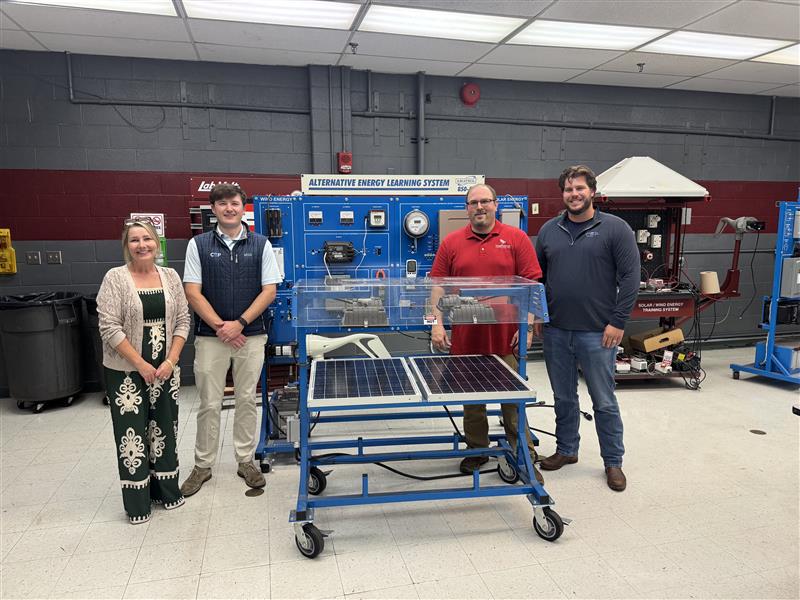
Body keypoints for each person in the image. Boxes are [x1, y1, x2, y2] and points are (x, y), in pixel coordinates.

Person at [429, 183, 544, 484]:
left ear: (496, 205)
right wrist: (435, 324)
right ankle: (477, 450)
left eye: (485, 201)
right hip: (467, 337)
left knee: (513, 400)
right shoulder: (451, 242)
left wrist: (527, 327)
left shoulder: (516, 238)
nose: (479, 207)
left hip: (507, 336)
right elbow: (436, 286)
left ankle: (524, 455)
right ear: (466, 208)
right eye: (473, 202)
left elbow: (532, 286)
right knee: (471, 400)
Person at [534, 165, 639, 492]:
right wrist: (538, 315)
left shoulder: (615, 229)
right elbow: (538, 278)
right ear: (562, 194)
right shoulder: (549, 231)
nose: (574, 194)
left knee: (603, 400)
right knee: (563, 396)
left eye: (580, 188)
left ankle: (613, 461)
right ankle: (567, 449)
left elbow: (631, 278)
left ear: (592, 191)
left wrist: (618, 321)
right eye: (568, 189)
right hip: (556, 330)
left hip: (598, 333)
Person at [180, 183, 282, 496]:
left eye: (234, 203)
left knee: (246, 399)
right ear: (213, 209)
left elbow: (269, 290)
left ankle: (245, 460)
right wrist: (220, 326)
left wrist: (239, 324)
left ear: (242, 207)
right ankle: (202, 465)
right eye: (222, 203)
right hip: (211, 337)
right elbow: (192, 291)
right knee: (209, 402)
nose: (229, 208)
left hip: (250, 335)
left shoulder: (261, 244)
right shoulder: (198, 245)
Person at [97, 217, 190, 524]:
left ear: (156, 243)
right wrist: (140, 364)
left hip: (165, 369)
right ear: (127, 246)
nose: (142, 245)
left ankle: (166, 491)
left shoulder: (170, 276)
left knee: (164, 429)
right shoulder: (115, 278)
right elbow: (109, 327)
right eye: (134, 240)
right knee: (132, 435)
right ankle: (138, 503)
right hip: (126, 371)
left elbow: (182, 321)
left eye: (147, 239)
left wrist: (170, 361)